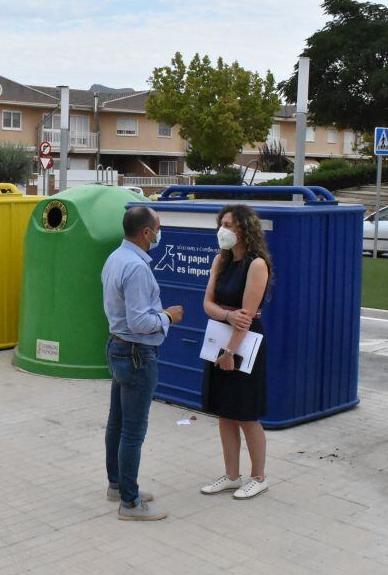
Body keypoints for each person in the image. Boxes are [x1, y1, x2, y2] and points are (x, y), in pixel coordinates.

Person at [101, 206, 184, 521]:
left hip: (118, 347)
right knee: (132, 431)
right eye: (158, 226)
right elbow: (139, 321)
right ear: (146, 232)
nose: (160, 232)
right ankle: (130, 503)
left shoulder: (116, 258)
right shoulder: (135, 267)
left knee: (118, 423)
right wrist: (168, 317)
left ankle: (117, 485)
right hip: (136, 354)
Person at [199, 204, 272, 500]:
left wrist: (231, 352)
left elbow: (247, 315)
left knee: (246, 413)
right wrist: (226, 317)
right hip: (219, 337)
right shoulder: (221, 260)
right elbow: (207, 303)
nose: (223, 229)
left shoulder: (256, 265)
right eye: (222, 223)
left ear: (244, 228)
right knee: (224, 412)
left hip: (244, 344)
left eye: (229, 224)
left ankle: (258, 476)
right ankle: (231, 475)